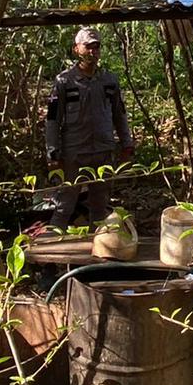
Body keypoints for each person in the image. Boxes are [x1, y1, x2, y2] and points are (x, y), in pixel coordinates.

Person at [44, 27, 135, 232]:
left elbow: (119, 114)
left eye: (96, 47)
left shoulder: (109, 80)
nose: (93, 51)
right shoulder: (64, 81)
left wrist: (126, 143)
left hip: (103, 151)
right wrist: (52, 151)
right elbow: (52, 119)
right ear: (77, 49)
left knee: (99, 204)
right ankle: (49, 249)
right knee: (65, 203)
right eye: (88, 47)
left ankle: (99, 246)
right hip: (74, 152)